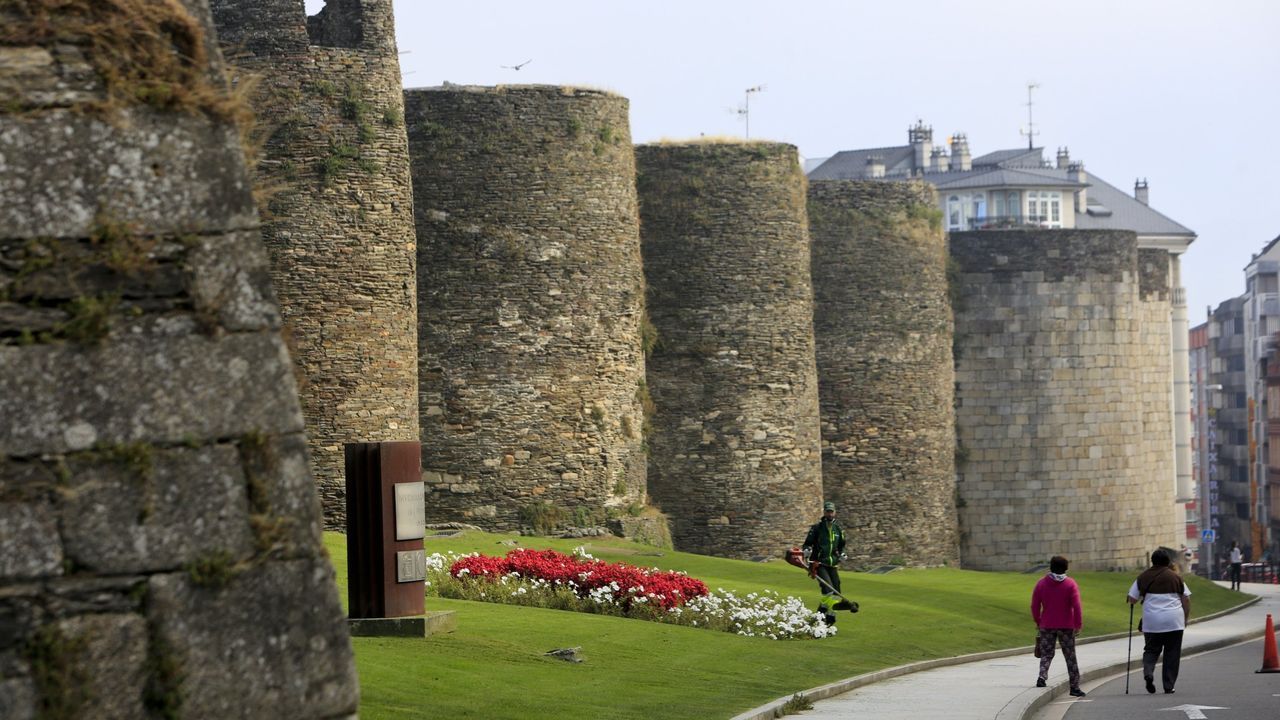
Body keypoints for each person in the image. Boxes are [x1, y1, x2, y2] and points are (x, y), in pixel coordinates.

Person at [1128, 549, 1192, 694]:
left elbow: (1132, 598)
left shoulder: (1143, 577)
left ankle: (1148, 672)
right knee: (1172, 653)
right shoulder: (1176, 577)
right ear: (1168, 562)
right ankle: (1169, 686)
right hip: (1174, 621)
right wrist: (1185, 619)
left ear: (1152, 561)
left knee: (1151, 650)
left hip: (1152, 621)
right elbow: (1186, 599)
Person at [1030, 555, 1086, 697]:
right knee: (1070, 656)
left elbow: (1035, 605)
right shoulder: (1070, 584)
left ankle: (1042, 676)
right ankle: (1074, 687)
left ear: (1051, 567)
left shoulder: (1041, 583)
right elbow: (1077, 606)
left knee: (1046, 653)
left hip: (1047, 624)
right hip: (1066, 626)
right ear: (1065, 568)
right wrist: (1078, 624)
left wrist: (1038, 620)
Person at [802, 501, 852, 625]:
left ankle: (825, 616)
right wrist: (807, 550)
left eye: (831, 511)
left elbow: (841, 546)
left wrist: (842, 554)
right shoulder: (817, 528)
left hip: (832, 564)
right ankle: (827, 618)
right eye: (827, 511)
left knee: (836, 592)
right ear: (824, 512)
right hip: (818, 563)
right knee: (828, 589)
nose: (829, 514)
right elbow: (807, 543)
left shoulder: (838, 530)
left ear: (835, 513)